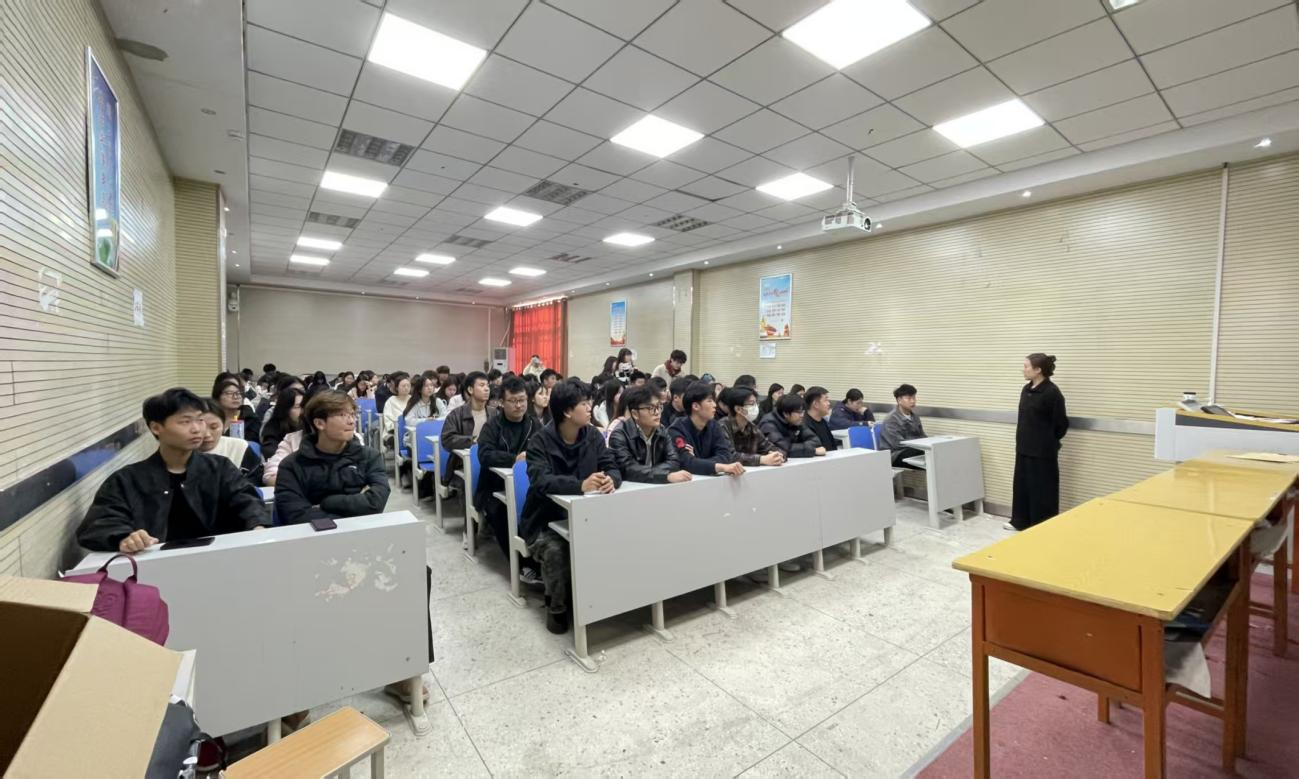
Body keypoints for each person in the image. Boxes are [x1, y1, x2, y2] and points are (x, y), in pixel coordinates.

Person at [77, 388, 268, 552]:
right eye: (185, 421)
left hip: (219, 559)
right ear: (156, 428)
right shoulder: (127, 480)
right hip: (154, 567)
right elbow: (98, 524)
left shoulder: (220, 468)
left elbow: (247, 501)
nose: (197, 429)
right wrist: (124, 537)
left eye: (200, 420)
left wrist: (257, 526)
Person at [521, 381, 622, 633]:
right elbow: (541, 480)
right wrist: (580, 485)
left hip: (588, 515)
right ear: (567, 411)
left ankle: (604, 599)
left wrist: (611, 479)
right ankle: (556, 608)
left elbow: (611, 465)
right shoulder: (540, 441)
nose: (590, 408)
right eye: (584, 404)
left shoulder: (593, 436)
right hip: (544, 519)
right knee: (557, 550)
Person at [274, 391, 390, 524]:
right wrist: (356, 507)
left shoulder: (370, 457)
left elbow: (375, 503)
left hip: (364, 531)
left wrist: (327, 503)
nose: (351, 421)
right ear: (320, 423)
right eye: (342, 415)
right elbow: (296, 515)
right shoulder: (292, 466)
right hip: (314, 535)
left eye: (353, 414)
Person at [474, 377, 543, 568]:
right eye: (513, 401)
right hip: (494, 486)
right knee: (503, 512)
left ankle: (543, 561)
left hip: (528, 484)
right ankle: (522, 566)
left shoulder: (534, 424)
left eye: (522, 400)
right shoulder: (493, 426)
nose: (518, 405)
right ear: (502, 402)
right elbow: (485, 455)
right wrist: (514, 459)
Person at [1011, 353, 1069, 532]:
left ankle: (1042, 527)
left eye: (1026, 366)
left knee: (1042, 490)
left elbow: (1061, 424)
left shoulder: (1052, 392)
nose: (1023, 370)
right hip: (1023, 448)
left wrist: (1047, 441)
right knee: (1022, 487)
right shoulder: (1026, 389)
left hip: (1043, 452)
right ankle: (1020, 521)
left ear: (1038, 370)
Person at [608, 385, 691, 484]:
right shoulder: (620, 435)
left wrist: (651, 473)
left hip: (654, 486)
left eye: (659, 407)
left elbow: (674, 461)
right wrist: (664, 475)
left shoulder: (661, 430)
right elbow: (628, 469)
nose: (657, 413)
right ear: (635, 414)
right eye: (651, 408)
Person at [669, 382, 744, 476]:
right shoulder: (676, 430)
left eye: (714, 401)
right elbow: (685, 462)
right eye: (709, 401)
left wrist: (697, 461)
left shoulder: (714, 426)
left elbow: (726, 456)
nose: (715, 405)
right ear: (695, 406)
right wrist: (719, 467)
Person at [440, 371, 493, 488]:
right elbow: (447, 439)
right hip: (462, 464)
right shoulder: (457, 414)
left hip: (491, 462)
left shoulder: (494, 413)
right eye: (482, 385)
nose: (487, 389)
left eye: (488, 386)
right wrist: (473, 440)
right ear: (470, 389)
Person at [199, 399, 264, 485]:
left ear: (224, 426)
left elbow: (255, 480)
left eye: (214, 427)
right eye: (200, 428)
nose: (207, 434)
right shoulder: (183, 452)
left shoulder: (240, 448)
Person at [719, 387, 785, 467]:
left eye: (756, 403)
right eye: (752, 404)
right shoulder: (722, 427)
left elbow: (769, 447)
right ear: (738, 409)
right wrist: (761, 459)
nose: (756, 407)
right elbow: (729, 456)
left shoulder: (752, 427)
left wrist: (778, 455)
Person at [759, 394, 824, 458]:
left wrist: (797, 447)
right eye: (799, 412)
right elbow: (782, 449)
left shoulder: (796, 421)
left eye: (803, 412)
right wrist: (813, 450)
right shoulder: (768, 424)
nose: (802, 415)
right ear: (786, 413)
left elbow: (816, 441)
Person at [878, 384, 927, 466]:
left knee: (931, 451)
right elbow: (898, 444)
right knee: (923, 453)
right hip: (895, 455)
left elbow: (922, 436)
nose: (913, 401)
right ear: (899, 400)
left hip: (911, 450)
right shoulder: (891, 420)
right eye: (909, 398)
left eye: (914, 398)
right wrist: (920, 445)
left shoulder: (915, 417)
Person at [213, 376, 260, 443]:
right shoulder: (211, 417)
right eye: (229, 393)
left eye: (238, 393)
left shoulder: (250, 419)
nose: (235, 397)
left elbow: (254, 445)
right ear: (218, 396)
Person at [260, 387, 305, 455]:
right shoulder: (273, 431)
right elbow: (272, 454)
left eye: (305, 405)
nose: (303, 411)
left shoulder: (309, 427)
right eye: (297, 407)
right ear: (285, 409)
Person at [801, 386, 840, 452]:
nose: (829, 403)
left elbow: (832, 446)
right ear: (816, 404)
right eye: (826, 400)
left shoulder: (823, 421)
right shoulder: (804, 425)